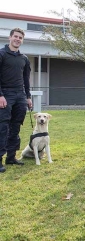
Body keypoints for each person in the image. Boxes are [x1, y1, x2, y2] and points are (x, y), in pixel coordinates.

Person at [0, 28, 33, 173]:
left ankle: (11, 157)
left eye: (20, 37)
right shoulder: (1, 54)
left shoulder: (24, 58)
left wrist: (28, 97)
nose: (17, 39)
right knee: (3, 128)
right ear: (10, 37)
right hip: (5, 95)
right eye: (15, 36)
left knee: (16, 126)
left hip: (20, 96)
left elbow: (26, 79)